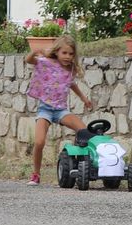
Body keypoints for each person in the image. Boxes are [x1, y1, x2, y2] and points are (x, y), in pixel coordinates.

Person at [25, 34, 93, 185]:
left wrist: (84, 98)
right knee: (39, 142)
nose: (68, 57)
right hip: (45, 109)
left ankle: (79, 165)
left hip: (61, 110)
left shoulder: (71, 69)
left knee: (84, 131)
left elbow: (71, 84)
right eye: (64, 53)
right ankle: (36, 174)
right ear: (56, 52)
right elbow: (29, 60)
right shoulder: (46, 63)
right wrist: (35, 51)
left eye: (71, 53)